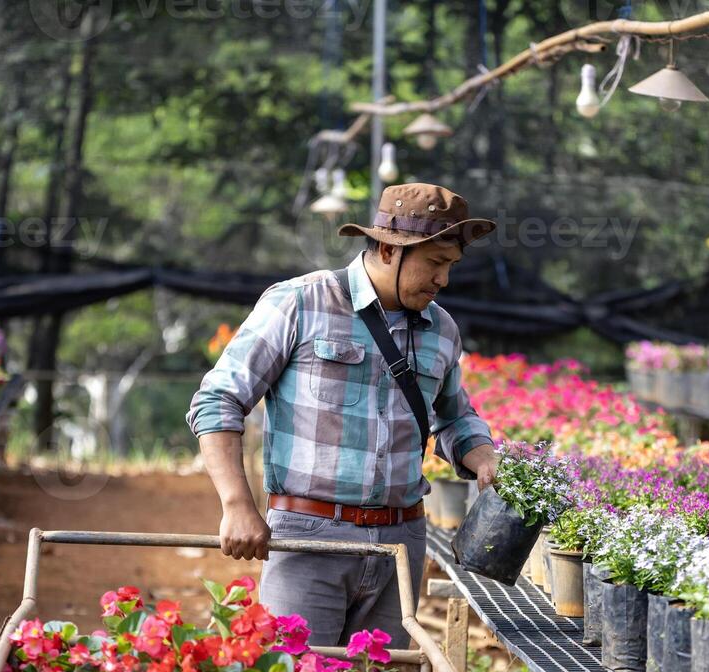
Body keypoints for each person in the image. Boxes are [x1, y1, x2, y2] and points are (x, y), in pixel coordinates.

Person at [186, 182, 498, 647]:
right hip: (310, 538)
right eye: (434, 264)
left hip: (401, 543)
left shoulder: (441, 328)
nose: (443, 281)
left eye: (450, 266)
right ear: (390, 249)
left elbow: (453, 417)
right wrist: (236, 506)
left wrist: (485, 457)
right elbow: (217, 401)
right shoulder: (300, 302)